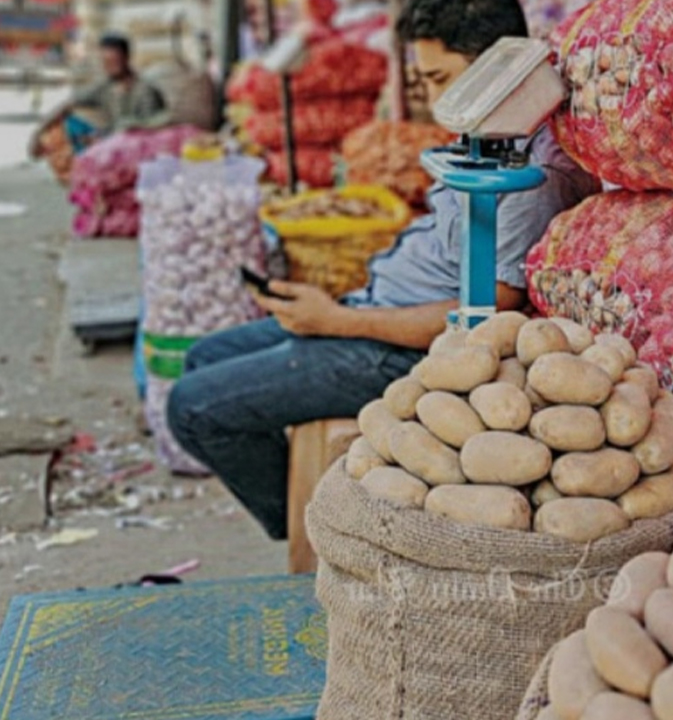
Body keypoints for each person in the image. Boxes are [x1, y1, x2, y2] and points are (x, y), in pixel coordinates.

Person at [167, 0, 599, 540]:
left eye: (440, 77)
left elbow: (483, 316)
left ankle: (308, 528)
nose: (431, 95)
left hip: (400, 349)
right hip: (371, 311)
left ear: (497, 72)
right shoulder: (495, 139)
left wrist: (334, 322)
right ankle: (308, 507)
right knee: (203, 356)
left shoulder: (534, 181)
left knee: (193, 409)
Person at [28, 33, 168, 158]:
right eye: (105, 62)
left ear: (126, 58)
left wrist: (107, 138)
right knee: (70, 123)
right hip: (110, 140)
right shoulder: (105, 87)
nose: (109, 67)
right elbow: (69, 103)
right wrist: (37, 133)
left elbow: (149, 129)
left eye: (114, 62)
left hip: (136, 149)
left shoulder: (145, 89)